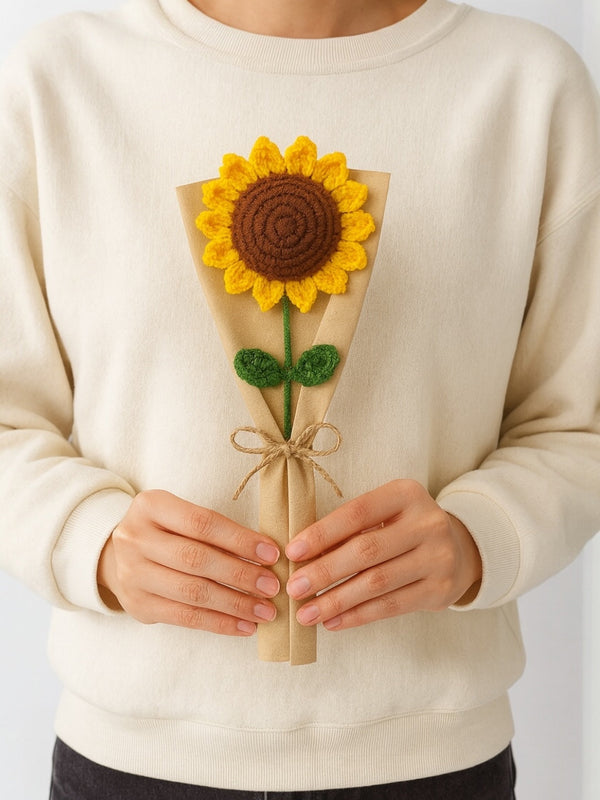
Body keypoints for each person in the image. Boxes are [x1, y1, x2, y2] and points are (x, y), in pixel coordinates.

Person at [1, 0, 599, 797]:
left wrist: (479, 537)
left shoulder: (526, 84)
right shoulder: (57, 78)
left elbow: (577, 421)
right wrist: (90, 540)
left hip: (434, 760)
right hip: (131, 758)